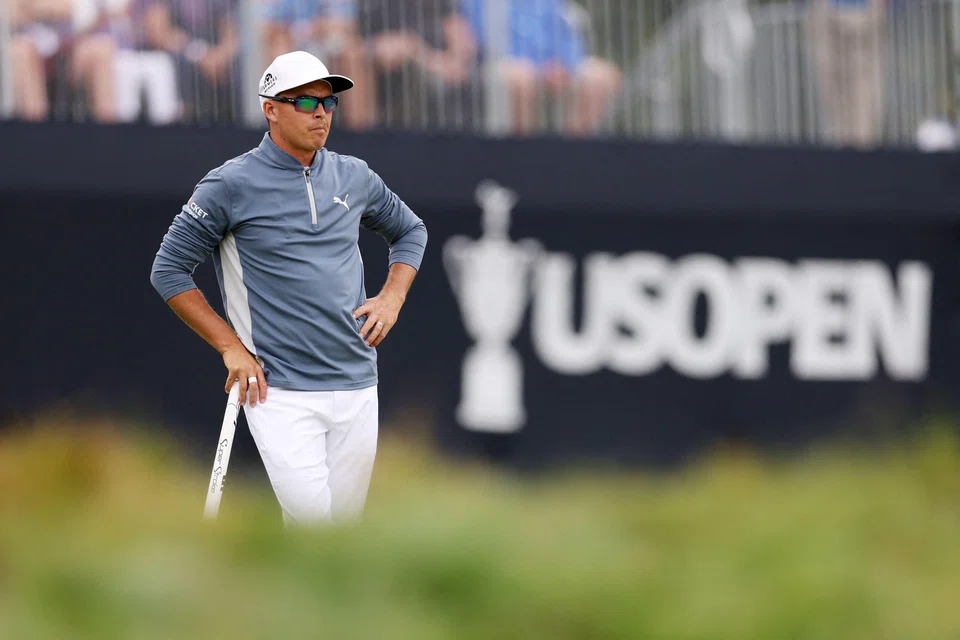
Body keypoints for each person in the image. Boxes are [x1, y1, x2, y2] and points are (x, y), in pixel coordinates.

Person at [149, 51, 428, 525]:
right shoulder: (229, 184)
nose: (321, 113)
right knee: (313, 529)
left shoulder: (353, 175)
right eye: (305, 102)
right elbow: (169, 270)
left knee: (341, 536)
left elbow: (410, 231)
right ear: (271, 108)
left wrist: (392, 297)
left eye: (328, 102)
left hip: (358, 382)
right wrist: (231, 348)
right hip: (278, 390)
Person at [461, 0, 621, 137]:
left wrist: (565, 64)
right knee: (521, 77)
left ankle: (570, 154)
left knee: (602, 77)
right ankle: (525, 155)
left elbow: (566, 32)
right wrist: (538, 65)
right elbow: (487, 39)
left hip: (552, 65)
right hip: (500, 64)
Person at [360, 0, 480, 131]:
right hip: (403, 78)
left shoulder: (441, 5)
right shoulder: (377, 8)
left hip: (443, 70)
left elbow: (463, 48)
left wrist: (419, 51)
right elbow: (375, 48)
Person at [261, 0, 374, 130]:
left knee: (353, 54)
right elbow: (267, 27)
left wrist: (313, 29)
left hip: (330, 43)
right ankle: (285, 130)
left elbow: (347, 24)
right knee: (278, 52)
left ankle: (359, 132)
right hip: (292, 44)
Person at [9, 0, 117, 123]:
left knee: (102, 49)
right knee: (22, 50)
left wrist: (39, 8)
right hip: (32, 48)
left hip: (73, 46)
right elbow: (14, 13)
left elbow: (85, 11)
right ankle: (35, 130)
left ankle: (108, 135)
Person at [139, 0, 241, 123]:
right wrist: (198, 53)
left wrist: (220, 56)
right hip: (179, 54)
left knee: (239, 69)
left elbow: (231, 33)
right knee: (181, 67)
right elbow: (159, 33)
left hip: (216, 59)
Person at [809, 0, 886, 148]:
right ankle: (843, 156)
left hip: (864, 10)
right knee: (832, 96)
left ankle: (861, 156)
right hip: (826, 11)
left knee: (864, 97)